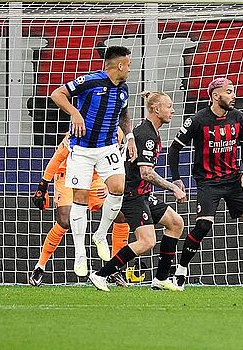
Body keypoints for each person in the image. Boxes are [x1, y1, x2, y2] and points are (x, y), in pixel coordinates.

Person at [168, 77, 243, 290]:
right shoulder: (197, 120)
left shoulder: (238, 117)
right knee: (203, 226)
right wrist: (177, 178)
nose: (234, 96)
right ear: (216, 96)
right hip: (208, 182)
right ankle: (180, 272)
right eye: (229, 92)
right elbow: (174, 149)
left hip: (233, 180)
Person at [88, 91, 187, 292]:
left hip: (143, 194)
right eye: (169, 106)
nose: (173, 110)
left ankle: (161, 279)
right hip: (132, 195)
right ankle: (101, 274)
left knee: (176, 223)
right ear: (156, 109)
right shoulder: (145, 135)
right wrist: (173, 188)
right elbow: (146, 173)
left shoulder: (151, 132)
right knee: (147, 241)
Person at [48, 46, 133, 278]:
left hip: (107, 147)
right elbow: (57, 94)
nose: (130, 69)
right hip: (82, 149)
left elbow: (124, 115)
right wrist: (75, 113)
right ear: (120, 65)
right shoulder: (90, 81)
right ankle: (80, 253)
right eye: (129, 65)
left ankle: (100, 234)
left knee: (118, 187)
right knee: (80, 198)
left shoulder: (123, 89)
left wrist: (130, 136)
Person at [29, 135, 131, 286]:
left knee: (121, 215)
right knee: (65, 220)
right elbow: (58, 157)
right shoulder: (77, 130)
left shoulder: (117, 132)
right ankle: (40, 266)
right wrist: (42, 186)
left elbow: (118, 162)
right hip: (68, 174)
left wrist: (108, 183)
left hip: (97, 177)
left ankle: (114, 268)